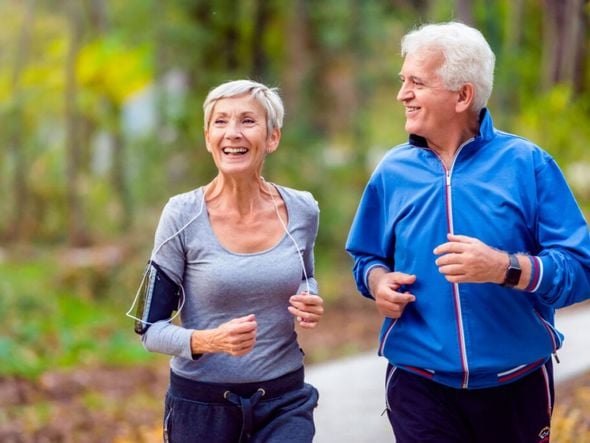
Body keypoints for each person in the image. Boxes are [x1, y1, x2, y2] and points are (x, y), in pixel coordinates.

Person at [346, 21, 590, 443]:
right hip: (419, 383)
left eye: (417, 83)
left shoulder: (527, 165)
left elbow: (580, 269)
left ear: (463, 95)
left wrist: (504, 267)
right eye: (403, 81)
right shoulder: (392, 171)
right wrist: (378, 282)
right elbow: (367, 258)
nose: (402, 94)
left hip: (518, 384)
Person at [128, 79, 324, 442]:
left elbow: (305, 275)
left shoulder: (301, 209)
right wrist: (209, 340)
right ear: (208, 138)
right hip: (201, 409)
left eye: (248, 121)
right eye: (221, 122)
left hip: (283, 402)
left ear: (272, 138)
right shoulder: (181, 215)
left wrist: (308, 297)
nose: (232, 133)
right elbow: (149, 329)